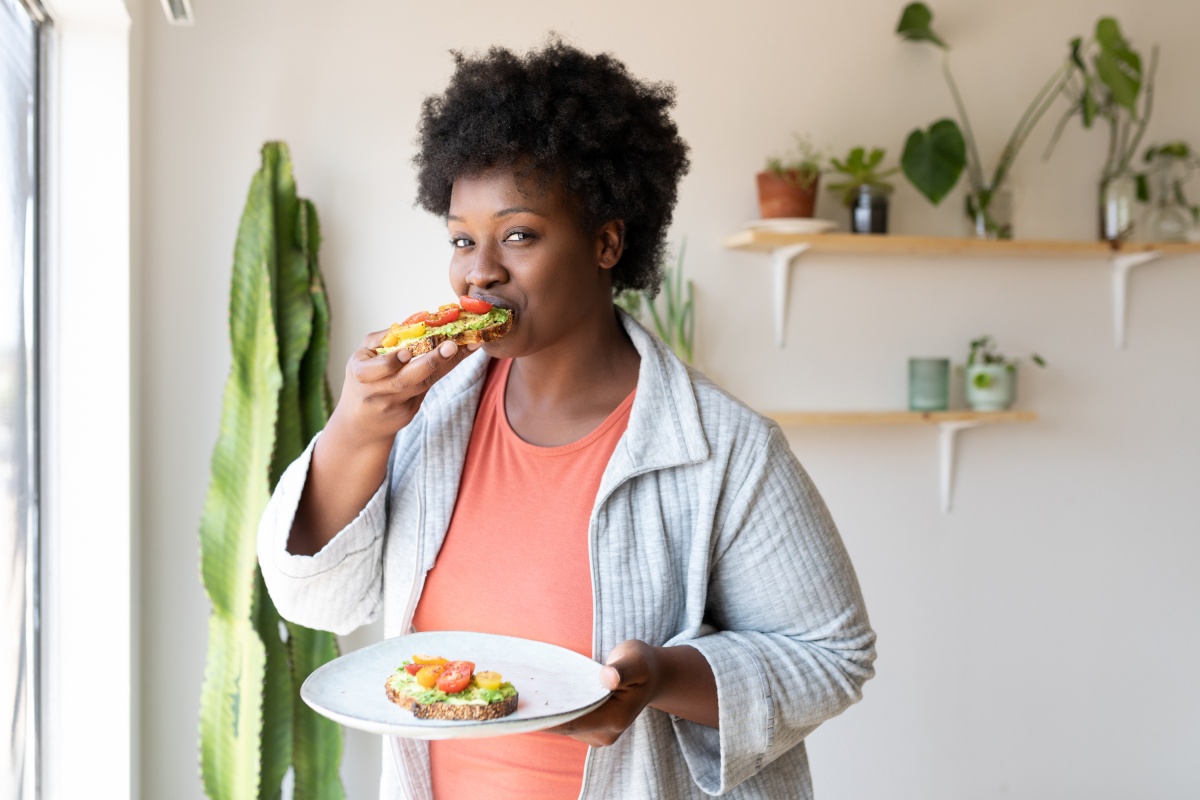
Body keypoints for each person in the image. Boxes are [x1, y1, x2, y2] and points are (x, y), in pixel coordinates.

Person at [258, 38, 875, 800]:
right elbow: (312, 601)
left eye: (517, 234)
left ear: (607, 241)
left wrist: (659, 678)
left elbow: (831, 655)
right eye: (461, 238)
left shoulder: (725, 450)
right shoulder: (423, 417)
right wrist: (358, 426)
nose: (479, 268)